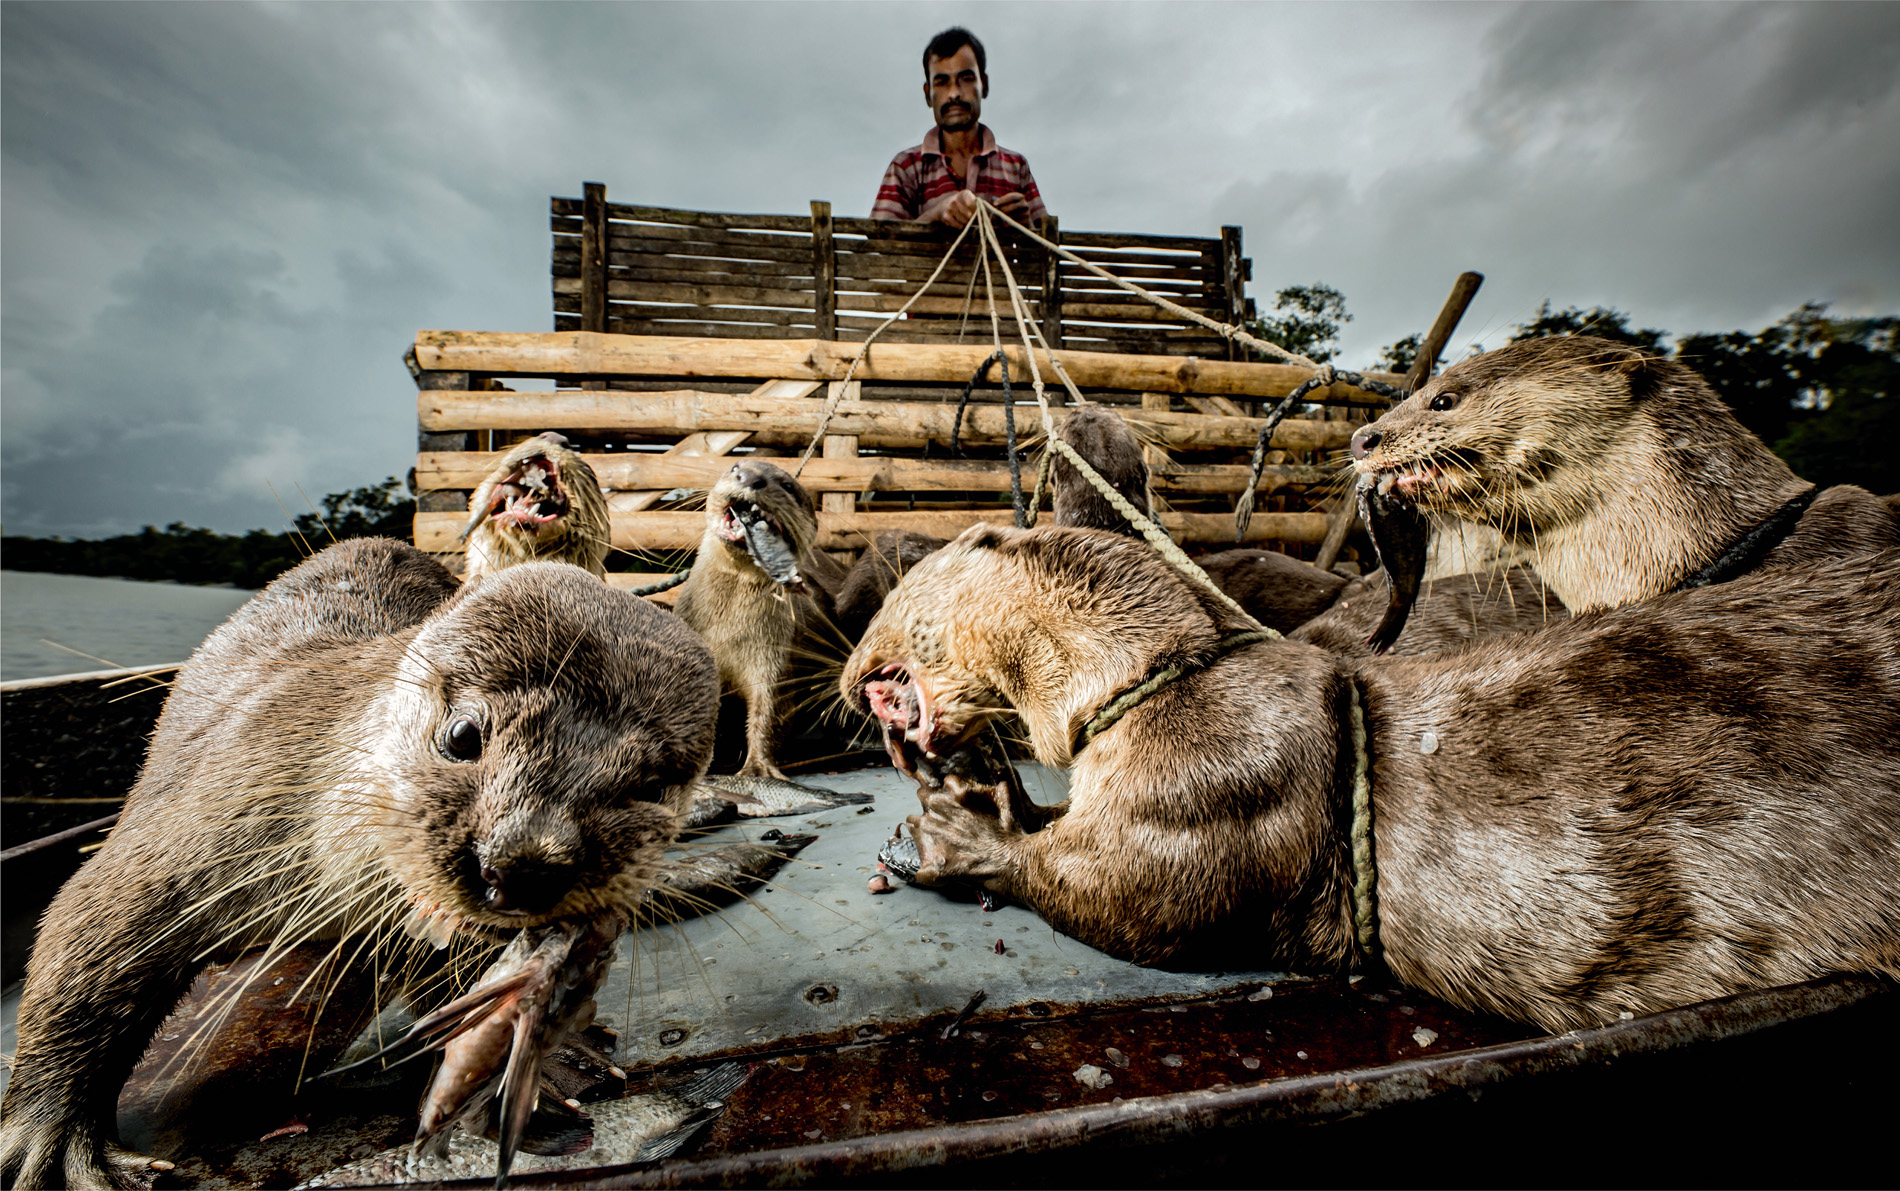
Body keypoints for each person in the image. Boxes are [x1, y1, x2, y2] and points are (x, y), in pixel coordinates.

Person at [872, 27, 1047, 228]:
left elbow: (1046, 248)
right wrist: (936, 214)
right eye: (942, 82)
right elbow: (881, 246)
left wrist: (1026, 227)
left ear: (985, 85)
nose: (954, 93)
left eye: (966, 79)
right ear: (928, 94)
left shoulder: (1016, 167)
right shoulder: (905, 168)